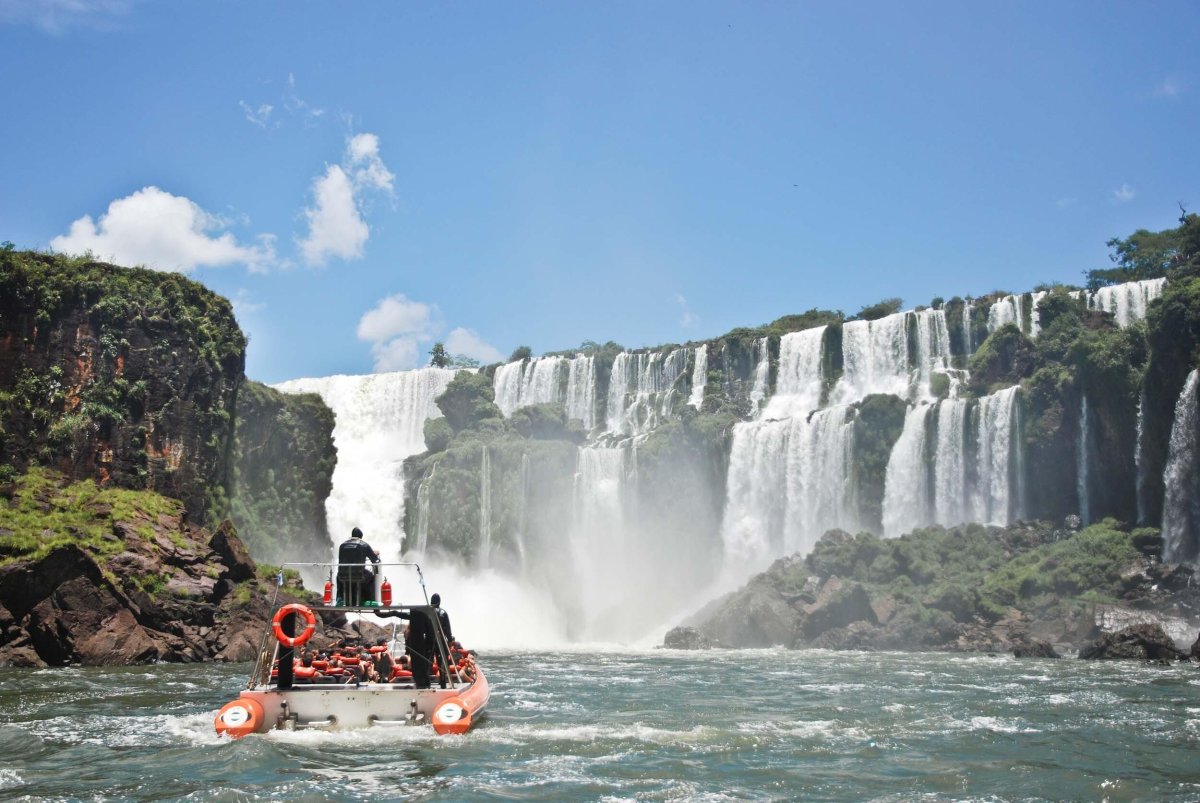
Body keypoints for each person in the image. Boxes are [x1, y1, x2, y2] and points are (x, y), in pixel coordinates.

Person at [336, 527, 381, 605]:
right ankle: (370, 600)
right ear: (361, 536)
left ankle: (340, 598)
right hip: (359, 575)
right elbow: (374, 559)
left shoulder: (342, 545)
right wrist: (374, 554)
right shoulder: (364, 545)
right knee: (371, 576)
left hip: (342, 576)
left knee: (338, 575)